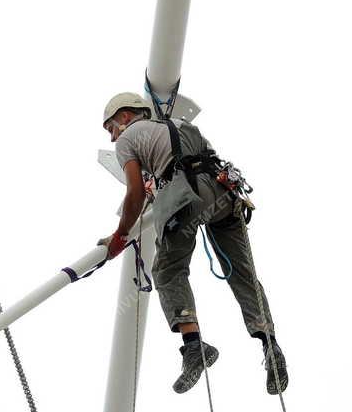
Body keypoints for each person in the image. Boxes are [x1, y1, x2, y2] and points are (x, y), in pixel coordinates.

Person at [98, 92, 288, 395]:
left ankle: (193, 345)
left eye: (110, 128)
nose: (111, 138)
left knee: (168, 270)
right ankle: (269, 343)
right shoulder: (179, 125)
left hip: (186, 198)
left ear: (124, 117)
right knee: (242, 274)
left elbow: (134, 193)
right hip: (224, 191)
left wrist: (120, 235)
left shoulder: (127, 140)